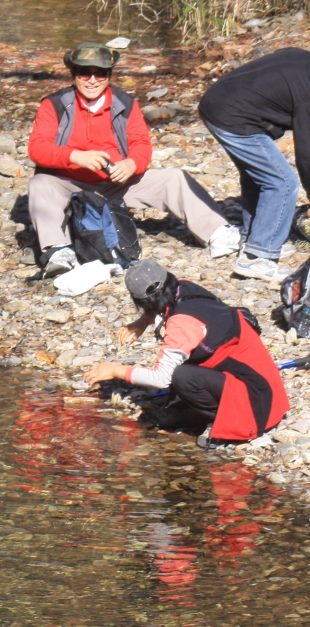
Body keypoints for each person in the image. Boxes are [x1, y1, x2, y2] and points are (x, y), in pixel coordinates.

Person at [27, 43, 238, 277]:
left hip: (118, 183)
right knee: (39, 184)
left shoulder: (125, 103)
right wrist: (74, 156)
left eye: (101, 73)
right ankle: (58, 251)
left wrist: (131, 165)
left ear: (109, 76)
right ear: (74, 74)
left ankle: (218, 232)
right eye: (85, 73)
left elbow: (141, 144)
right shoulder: (54, 104)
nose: (92, 80)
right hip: (70, 185)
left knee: (174, 177)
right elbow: (37, 149)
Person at [83, 259, 287, 448]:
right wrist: (143, 321)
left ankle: (223, 422)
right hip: (265, 381)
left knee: (181, 376)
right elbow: (160, 299)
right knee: (182, 369)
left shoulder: (181, 324)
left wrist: (114, 370)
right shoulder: (185, 288)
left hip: (257, 404)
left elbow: (161, 378)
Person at [197, 47, 310, 282]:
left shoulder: (301, 59)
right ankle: (259, 258)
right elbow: (306, 152)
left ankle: (254, 239)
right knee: (283, 182)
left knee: (258, 176)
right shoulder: (307, 89)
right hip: (232, 116)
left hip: (216, 102)